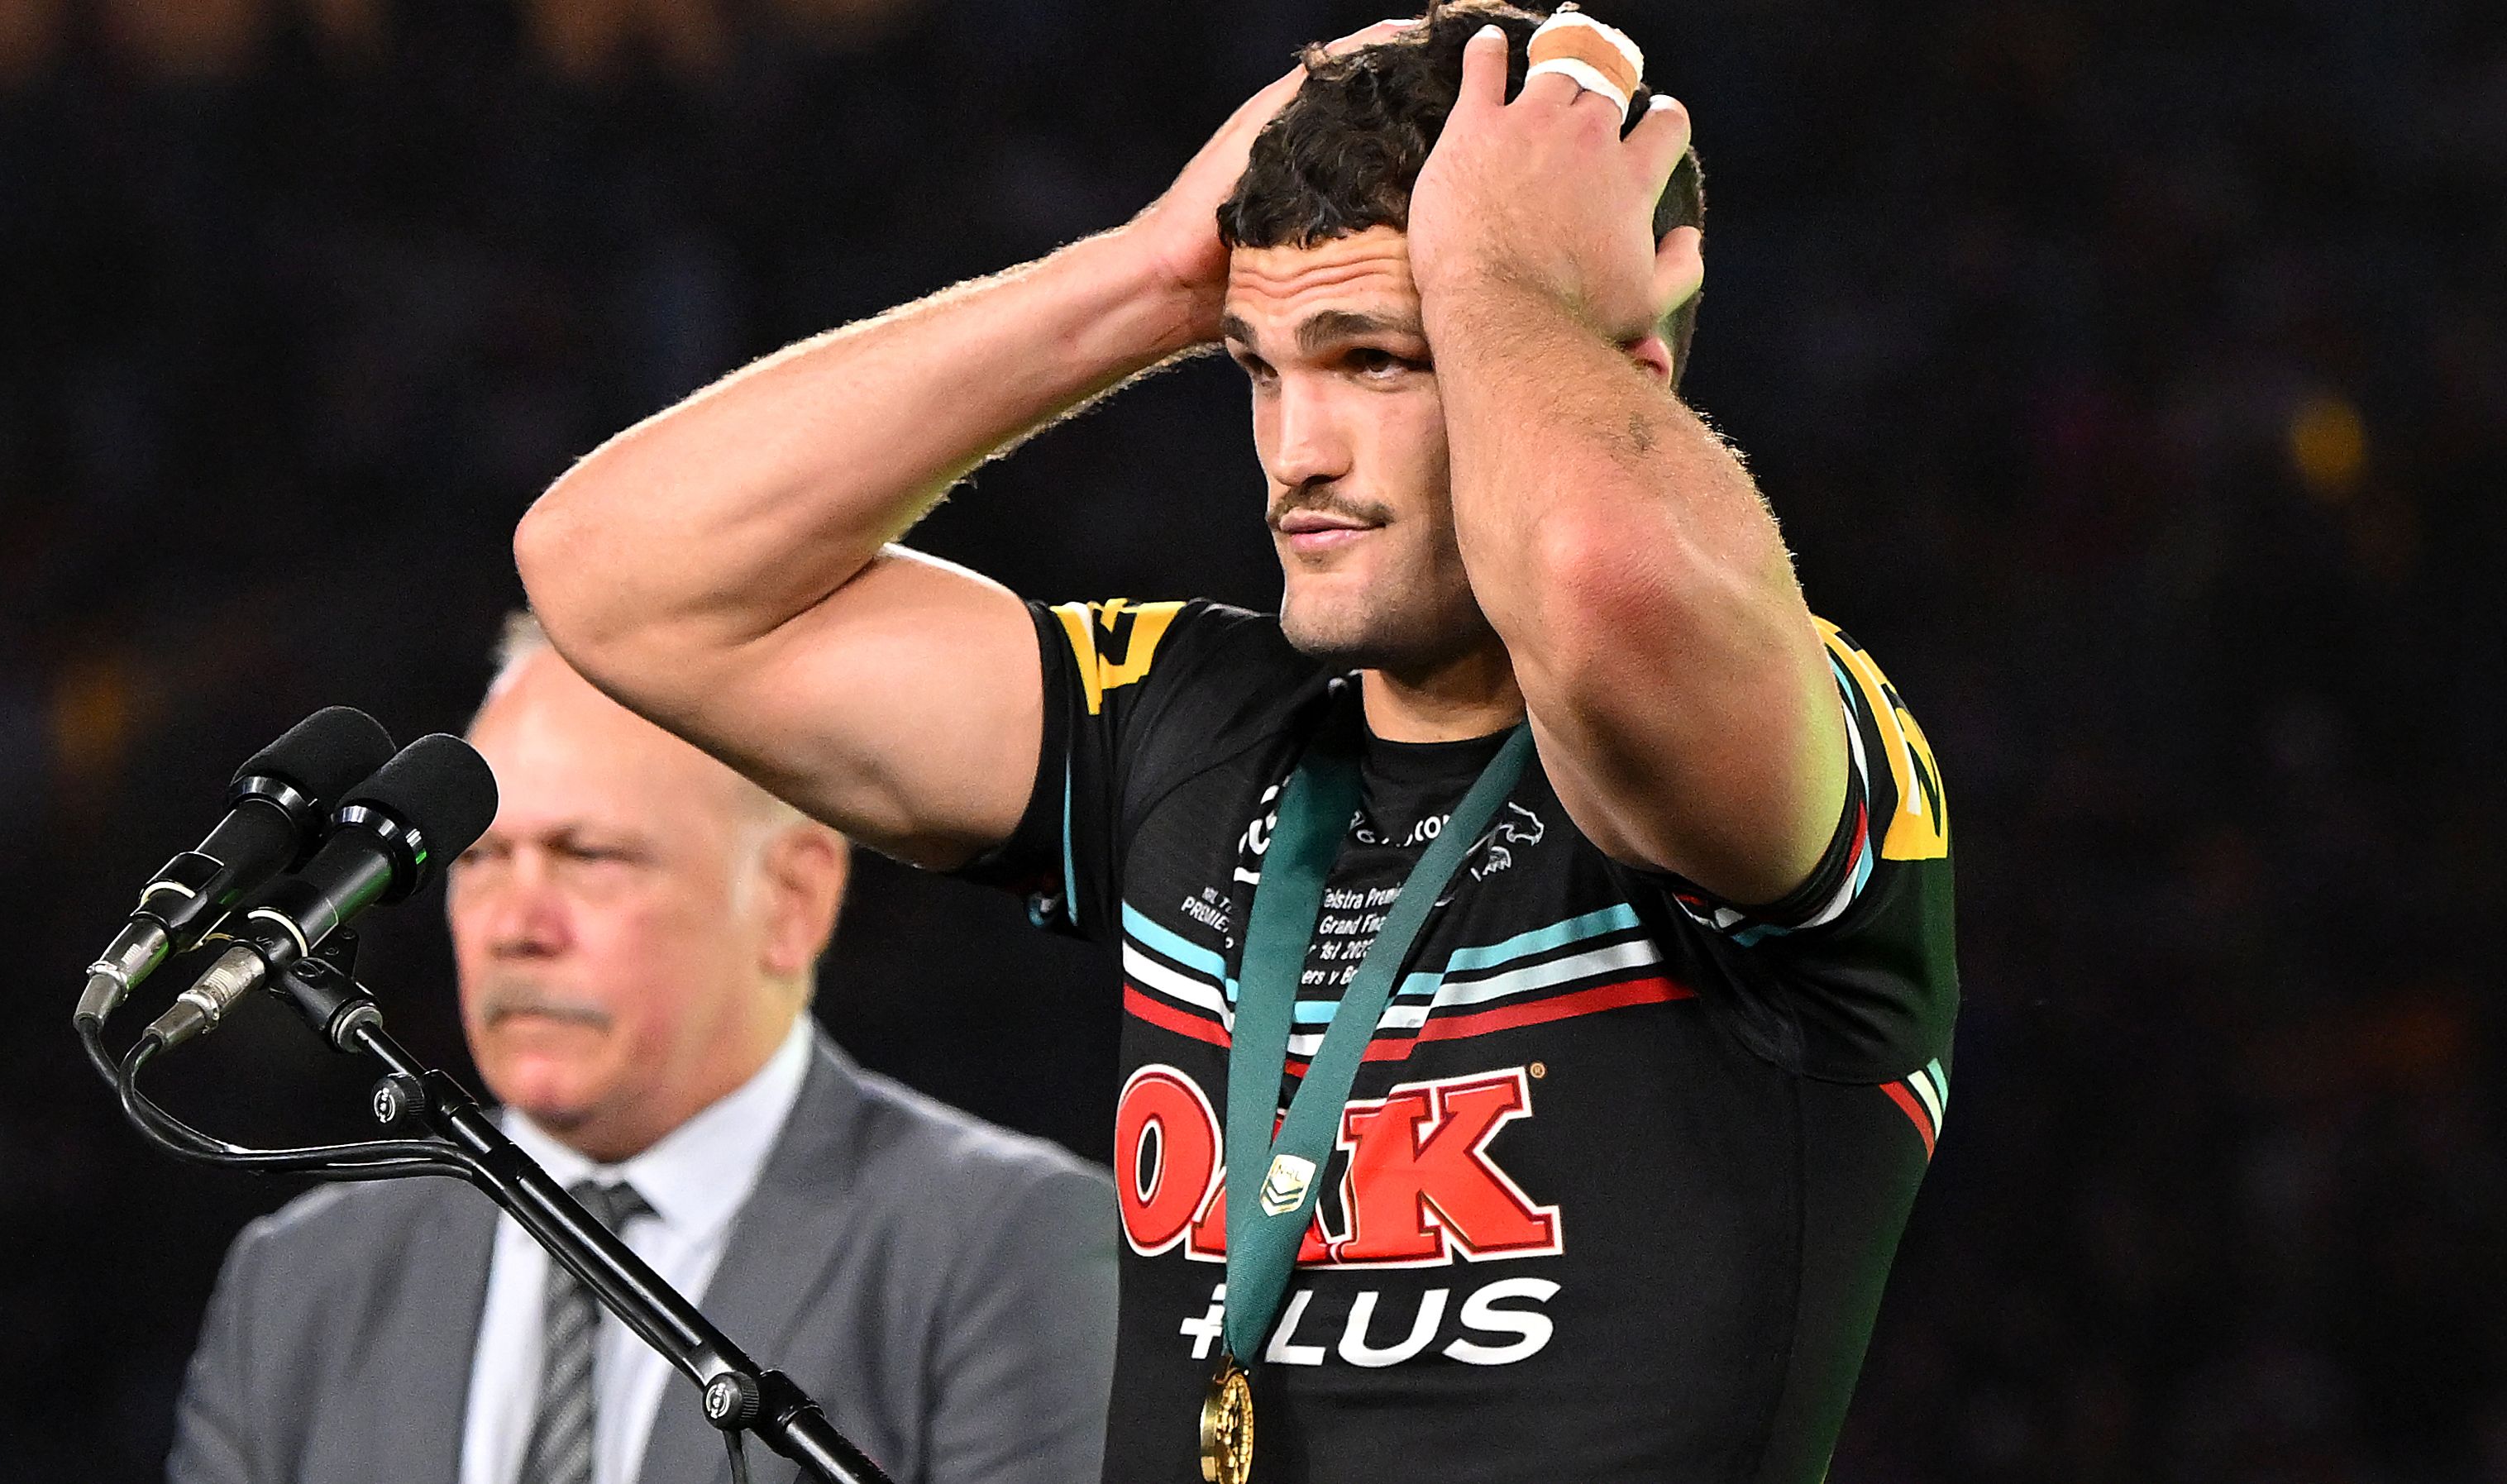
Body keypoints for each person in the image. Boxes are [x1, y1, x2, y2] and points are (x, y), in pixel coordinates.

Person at [513, 3, 1956, 1480]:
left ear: (1615, 362)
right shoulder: (1194, 717)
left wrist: (1501, 284)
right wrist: (1145, 277)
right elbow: (616, 575)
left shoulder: (1796, 741)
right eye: (1260, 367)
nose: (1295, 449)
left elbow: (1603, 582)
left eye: (1381, 359)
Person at [166, 615, 1119, 1484]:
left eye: (589, 856)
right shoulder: (299, 1285)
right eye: (483, 861)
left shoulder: (1007, 1248)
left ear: (794, 898)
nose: (515, 924)